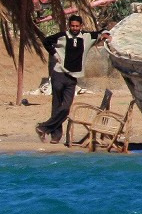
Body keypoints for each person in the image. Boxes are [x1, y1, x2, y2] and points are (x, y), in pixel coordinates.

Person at [36, 15, 111, 144]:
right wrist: (55, 54)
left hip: (73, 77)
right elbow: (46, 41)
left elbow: (101, 33)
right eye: (72, 26)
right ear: (69, 26)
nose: (74, 28)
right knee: (56, 105)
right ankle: (56, 136)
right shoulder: (62, 36)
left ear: (81, 26)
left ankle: (43, 127)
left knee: (65, 108)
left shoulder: (87, 37)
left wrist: (106, 34)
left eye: (77, 26)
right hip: (59, 74)